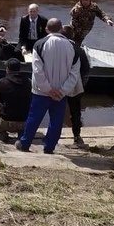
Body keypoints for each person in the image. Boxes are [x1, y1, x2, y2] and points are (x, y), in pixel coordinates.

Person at [16, 18, 82, 154]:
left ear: (47, 29)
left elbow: (37, 71)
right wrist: (62, 91)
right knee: (56, 121)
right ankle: (49, 147)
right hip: (60, 93)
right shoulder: (74, 47)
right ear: (61, 30)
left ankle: (24, 144)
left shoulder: (39, 44)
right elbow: (74, 74)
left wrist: (48, 89)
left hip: (41, 92)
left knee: (34, 118)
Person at [0, 57, 32, 143]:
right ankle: (21, 133)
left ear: (8, 69)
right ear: (19, 69)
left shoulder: (2, 82)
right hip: (23, 123)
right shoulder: (29, 82)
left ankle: (3, 134)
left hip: (6, 123)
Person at [61, 25, 91, 147]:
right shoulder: (79, 49)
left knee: (56, 110)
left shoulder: (58, 49)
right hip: (75, 85)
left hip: (58, 84)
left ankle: (53, 135)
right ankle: (77, 137)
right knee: (75, 112)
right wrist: (82, 84)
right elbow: (86, 69)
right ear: (73, 35)